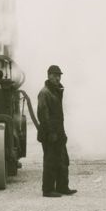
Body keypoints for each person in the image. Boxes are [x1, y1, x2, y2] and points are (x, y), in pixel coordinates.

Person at [37, 64, 76, 198]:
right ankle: (47, 190)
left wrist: (61, 133)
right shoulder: (45, 93)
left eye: (59, 76)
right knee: (50, 161)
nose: (57, 78)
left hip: (58, 132)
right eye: (54, 76)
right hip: (49, 134)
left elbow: (58, 116)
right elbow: (43, 115)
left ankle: (62, 187)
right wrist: (51, 133)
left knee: (63, 160)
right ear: (48, 76)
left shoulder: (55, 91)